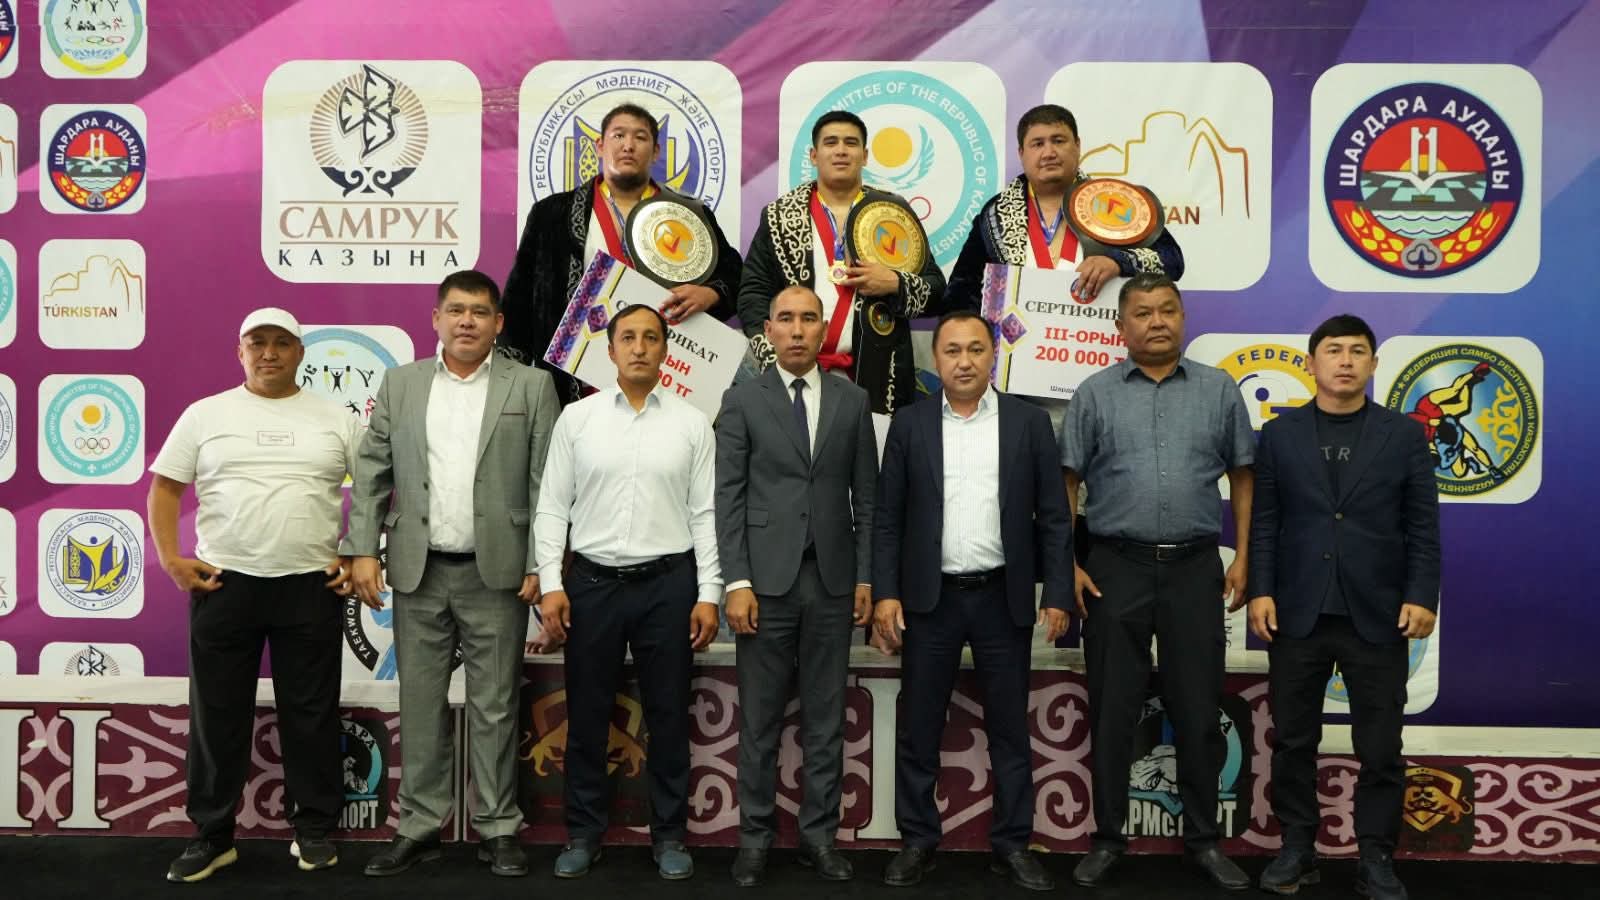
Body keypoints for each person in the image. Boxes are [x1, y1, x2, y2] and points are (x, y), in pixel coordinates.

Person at [348, 271, 561, 879]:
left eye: (480, 312)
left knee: (495, 705)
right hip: (419, 570)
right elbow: (372, 472)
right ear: (436, 319)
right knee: (420, 704)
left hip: (498, 574)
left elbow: (547, 483)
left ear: (499, 323)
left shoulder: (532, 385)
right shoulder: (401, 383)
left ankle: (498, 826)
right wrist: (361, 549)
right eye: (457, 310)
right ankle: (418, 826)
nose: (467, 321)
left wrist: (540, 564)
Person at [1058, 273, 1254, 890]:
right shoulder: (1094, 393)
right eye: (1142, 313)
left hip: (1196, 568)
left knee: (1197, 708)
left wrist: (1245, 556)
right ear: (1121, 326)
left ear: (1183, 317)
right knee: (1113, 708)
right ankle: (1108, 839)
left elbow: (1244, 475)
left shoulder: (1220, 390)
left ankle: (1204, 842)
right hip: (1115, 568)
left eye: (1168, 309)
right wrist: (1066, 564)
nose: (1157, 321)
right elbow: (1066, 481)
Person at [149, 307, 358, 882]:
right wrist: (170, 558)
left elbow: (374, 489)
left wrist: (357, 553)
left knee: (311, 713)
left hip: (311, 584)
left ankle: (313, 828)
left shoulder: (336, 419)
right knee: (217, 714)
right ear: (239, 351)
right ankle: (212, 835)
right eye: (257, 343)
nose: (269, 353)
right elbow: (165, 488)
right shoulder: (205, 414)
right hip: (224, 584)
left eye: (282, 343)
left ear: (301, 352)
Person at [871, 310, 1072, 892]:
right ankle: (917, 840)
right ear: (936, 359)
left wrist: (1058, 591)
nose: (964, 361)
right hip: (930, 602)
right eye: (952, 350)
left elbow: (1054, 517)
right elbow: (887, 519)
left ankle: (1012, 844)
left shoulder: (1029, 423)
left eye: (976, 349)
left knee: (1010, 729)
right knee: (919, 728)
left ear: (993, 355)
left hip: (1001, 598)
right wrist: (886, 594)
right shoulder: (909, 424)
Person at [1248, 314, 1440, 900]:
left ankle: (1376, 856)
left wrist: (1421, 595)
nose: (1346, 360)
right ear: (1312, 363)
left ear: (1374, 364)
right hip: (1297, 612)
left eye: (1358, 351)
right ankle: (1296, 848)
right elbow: (1266, 523)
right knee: (1293, 741)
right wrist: (1260, 590)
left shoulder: (1403, 435)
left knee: (1380, 748)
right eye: (1334, 350)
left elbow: (1422, 525)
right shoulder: (1279, 435)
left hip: (1378, 615)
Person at [534, 303, 723, 881]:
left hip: (669, 585)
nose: (639, 347)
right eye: (628, 338)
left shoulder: (692, 423)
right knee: (587, 714)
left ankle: (669, 836)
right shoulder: (578, 420)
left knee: (667, 715)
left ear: (666, 349)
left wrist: (709, 592)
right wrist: (551, 583)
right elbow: (552, 507)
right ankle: (583, 833)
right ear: (610, 349)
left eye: (650, 337)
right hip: (591, 585)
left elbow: (705, 513)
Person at [714, 286, 877, 886]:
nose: (799, 329)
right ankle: (754, 839)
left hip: (833, 582)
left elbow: (868, 499)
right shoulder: (741, 399)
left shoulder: (853, 400)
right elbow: (728, 498)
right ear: (770, 331)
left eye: (810, 318)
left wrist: (865, 577)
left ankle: (819, 838)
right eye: (786, 319)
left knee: (826, 719)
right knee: (758, 721)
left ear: (823, 329)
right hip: (764, 584)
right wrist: (737, 580)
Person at [502, 102, 743, 403]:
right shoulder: (552, 213)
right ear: (600, 146)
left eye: (640, 137)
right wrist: (512, 379)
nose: (628, 145)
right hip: (577, 385)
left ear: (655, 151)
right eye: (618, 135)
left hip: (666, 378)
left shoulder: (687, 213)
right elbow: (519, 300)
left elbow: (735, 274)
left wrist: (711, 293)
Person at [737, 110, 948, 414]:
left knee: (873, 446)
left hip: (879, 375)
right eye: (830, 142)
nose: (840, 150)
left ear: (865, 155)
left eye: (850, 143)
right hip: (796, 373)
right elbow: (753, 293)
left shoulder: (893, 212)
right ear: (814, 155)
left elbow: (937, 290)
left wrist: (895, 283)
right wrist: (775, 355)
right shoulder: (780, 216)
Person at [944, 103, 1185, 310]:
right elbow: (961, 292)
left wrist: (1118, 263)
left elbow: (1172, 261)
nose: (1049, 152)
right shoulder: (996, 214)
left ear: (1077, 145)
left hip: (1099, 341)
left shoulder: (1114, 200)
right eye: (1037, 144)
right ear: (1021, 153)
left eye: (1058, 141)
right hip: (1016, 343)